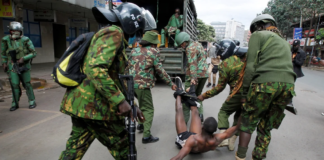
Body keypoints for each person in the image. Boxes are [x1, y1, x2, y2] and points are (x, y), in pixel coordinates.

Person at [58, 3, 156, 159]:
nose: (136, 35)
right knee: (125, 150)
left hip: (82, 107)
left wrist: (132, 104)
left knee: (74, 150)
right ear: (131, 24)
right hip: (97, 108)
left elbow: (116, 78)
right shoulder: (114, 32)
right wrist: (120, 101)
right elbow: (95, 69)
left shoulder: (110, 34)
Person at [235, 14, 296, 160]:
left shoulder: (258, 35)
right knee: (266, 125)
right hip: (288, 87)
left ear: (259, 25)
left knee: (248, 121)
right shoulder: (285, 42)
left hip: (265, 84)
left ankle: (241, 156)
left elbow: (250, 66)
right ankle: (258, 157)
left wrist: (244, 93)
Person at [126, 31, 177, 143]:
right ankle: (146, 136)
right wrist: (170, 83)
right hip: (142, 85)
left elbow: (128, 65)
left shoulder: (135, 50)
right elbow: (160, 70)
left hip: (130, 84)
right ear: (153, 43)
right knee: (148, 108)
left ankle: (141, 125)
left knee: (141, 104)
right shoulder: (153, 51)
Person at [171, 81, 241, 160]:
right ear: (215, 130)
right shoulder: (217, 139)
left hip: (186, 141)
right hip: (198, 140)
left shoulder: (192, 140)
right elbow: (236, 128)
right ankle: (191, 92)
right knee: (195, 112)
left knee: (179, 111)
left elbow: (178, 157)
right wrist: (244, 112)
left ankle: (179, 92)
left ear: (202, 126)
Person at [198, 40, 247, 150]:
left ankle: (223, 139)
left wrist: (204, 96)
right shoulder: (244, 59)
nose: (219, 54)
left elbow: (220, 87)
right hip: (251, 93)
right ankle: (232, 142)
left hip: (238, 93)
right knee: (239, 116)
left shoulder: (225, 64)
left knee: (223, 112)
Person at [1, 21, 37, 111]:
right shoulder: (5, 40)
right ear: (10, 31)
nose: (15, 33)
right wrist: (4, 63)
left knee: (27, 84)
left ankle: (32, 100)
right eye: (13, 31)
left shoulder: (26, 40)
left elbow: (34, 53)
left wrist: (24, 58)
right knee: (15, 85)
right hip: (12, 65)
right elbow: (3, 53)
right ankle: (15, 103)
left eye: (17, 31)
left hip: (24, 65)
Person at [175, 32, 209, 123]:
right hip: (204, 74)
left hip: (195, 75)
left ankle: (184, 125)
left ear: (184, 42)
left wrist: (193, 79)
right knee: (198, 95)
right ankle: (200, 116)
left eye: (181, 45)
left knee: (186, 100)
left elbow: (192, 64)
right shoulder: (198, 44)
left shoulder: (190, 48)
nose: (182, 47)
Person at [287, 39, 306, 107]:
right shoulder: (290, 51)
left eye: (296, 45)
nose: (294, 46)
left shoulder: (302, 53)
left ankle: (290, 101)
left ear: (298, 45)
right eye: (293, 45)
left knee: (291, 86)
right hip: (288, 71)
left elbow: (300, 63)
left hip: (294, 72)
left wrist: (294, 60)